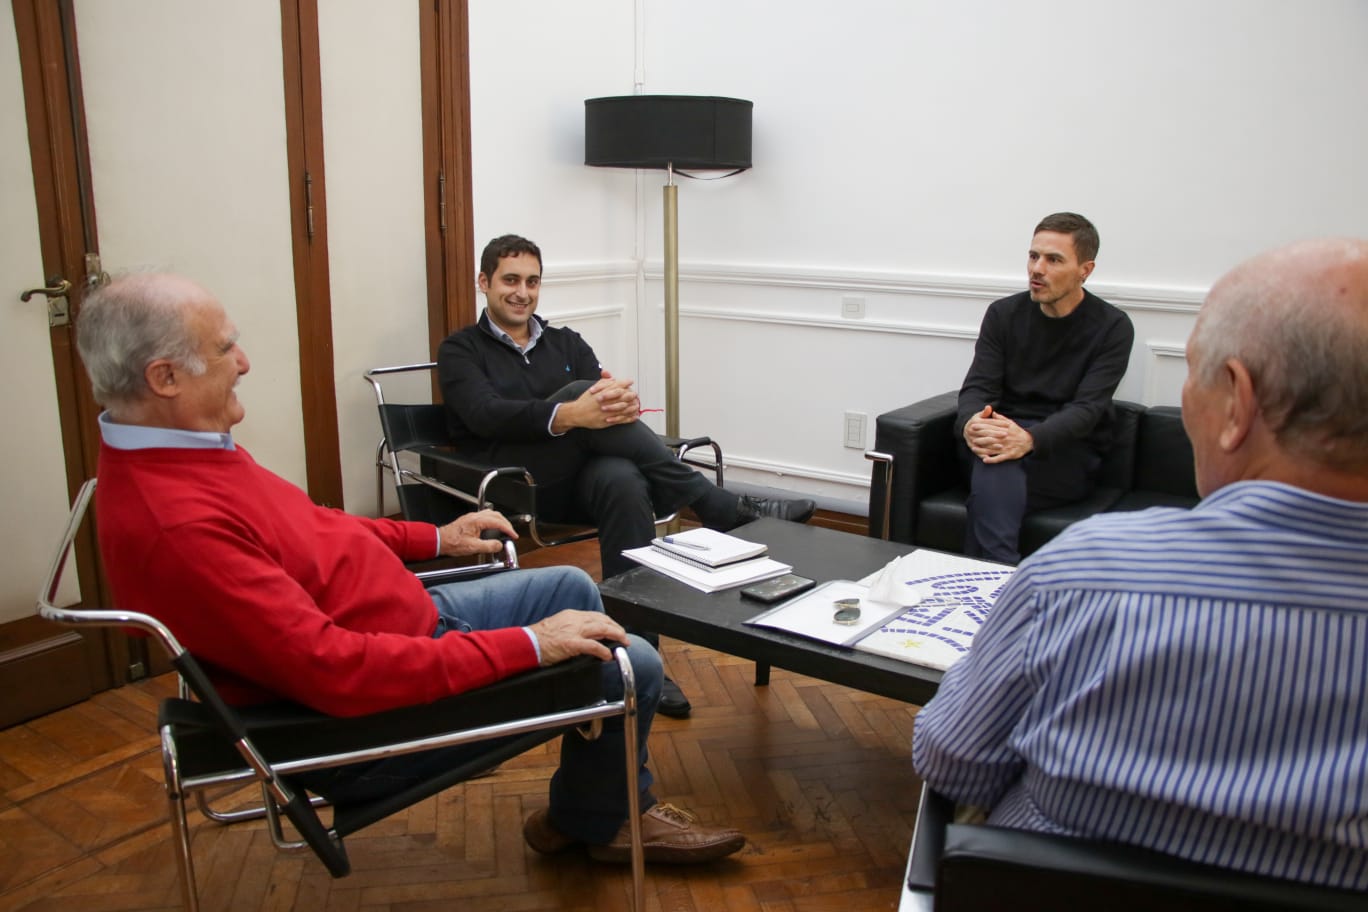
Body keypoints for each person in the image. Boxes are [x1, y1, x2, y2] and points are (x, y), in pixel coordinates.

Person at [76, 272, 747, 865]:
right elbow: (336, 671)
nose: (244, 361)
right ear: (164, 378)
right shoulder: (177, 524)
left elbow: (314, 526)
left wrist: (433, 537)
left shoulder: (185, 451)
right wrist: (529, 646)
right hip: (366, 721)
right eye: (225, 348)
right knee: (632, 663)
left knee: (574, 585)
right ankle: (607, 820)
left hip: (405, 617)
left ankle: (586, 814)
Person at [913, 237, 1368, 889]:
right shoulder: (1006, 316)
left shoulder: (1077, 576)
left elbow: (951, 760)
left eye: (1194, 373)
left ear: (1237, 405)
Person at [437, 234, 817, 717]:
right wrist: (572, 413)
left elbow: (608, 404)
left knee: (621, 476)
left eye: (532, 281)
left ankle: (639, 659)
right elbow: (485, 414)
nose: (522, 292)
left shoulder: (565, 341)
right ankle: (715, 505)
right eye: (510, 280)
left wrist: (619, 406)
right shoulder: (460, 350)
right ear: (484, 282)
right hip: (515, 489)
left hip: (582, 482)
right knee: (579, 393)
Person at [955, 212, 1134, 563]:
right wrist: (971, 423)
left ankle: (993, 571)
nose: (1037, 269)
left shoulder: (1112, 327)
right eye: (1033, 256)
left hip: (1063, 453)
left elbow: (1087, 410)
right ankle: (1000, 578)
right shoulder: (1003, 315)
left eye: (1054, 260)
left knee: (995, 468)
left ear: (1086, 269)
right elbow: (977, 388)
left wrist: (1029, 440)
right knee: (997, 458)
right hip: (998, 439)